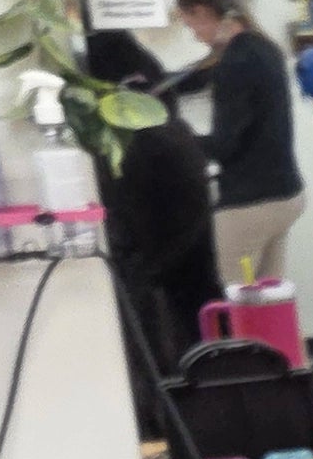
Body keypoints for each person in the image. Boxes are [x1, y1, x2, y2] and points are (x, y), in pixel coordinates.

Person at [84, 30, 222, 431]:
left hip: (154, 208)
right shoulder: (155, 100)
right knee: (195, 304)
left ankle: (162, 421)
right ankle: (199, 410)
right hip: (182, 189)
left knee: (150, 312)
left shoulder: (127, 130)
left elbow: (137, 252)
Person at [171, 0, 307, 283]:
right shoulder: (262, 48)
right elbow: (192, 79)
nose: (194, 35)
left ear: (204, 13)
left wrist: (177, 140)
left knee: (240, 306)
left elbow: (223, 145)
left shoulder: (235, 62)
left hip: (249, 205)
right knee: (272, 304)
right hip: (285, 196)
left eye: (191, 25)